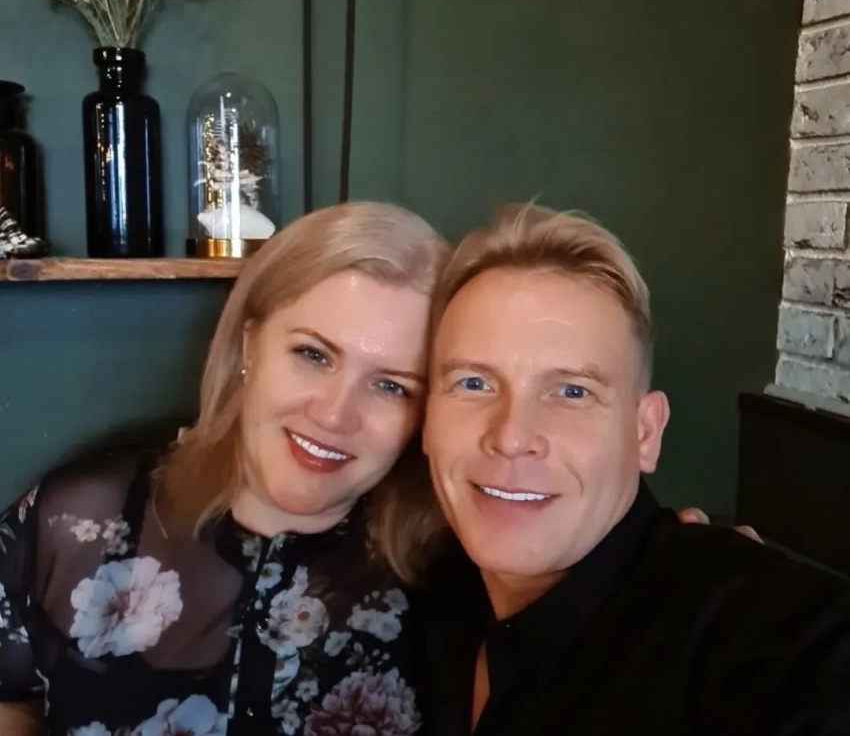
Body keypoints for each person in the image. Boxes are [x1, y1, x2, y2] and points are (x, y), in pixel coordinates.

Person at [0, 200, 759, 736]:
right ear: (250, 344)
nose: (335, 414)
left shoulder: (463, 563)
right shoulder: (77, 517)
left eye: (393, 385)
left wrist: (675, 568)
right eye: (313, 354)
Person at [420, 204, 850, 735]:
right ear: (426, 420)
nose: (510, 437)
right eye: (473, 383)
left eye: (572, 391)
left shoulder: (772, 639)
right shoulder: (420, 599)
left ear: (645, 433)